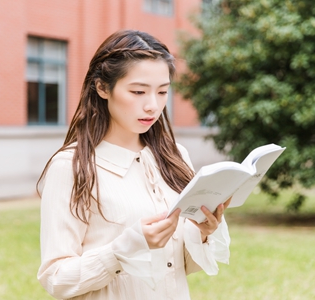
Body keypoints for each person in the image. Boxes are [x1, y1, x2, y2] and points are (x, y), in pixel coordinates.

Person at [36, 29, 231, 300]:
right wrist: (125, 249)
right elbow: (57, 279)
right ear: (103, 87)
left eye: (163, 92)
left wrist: (204, 232)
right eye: (138, 91)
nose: (153, 106)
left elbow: (177, 267)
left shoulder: (174, 156)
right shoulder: (71, 166)